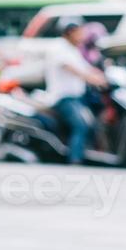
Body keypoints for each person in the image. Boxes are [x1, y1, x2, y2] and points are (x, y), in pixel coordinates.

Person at [45, 20, 110, 164]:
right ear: (70, 32)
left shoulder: (73, 49)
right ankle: (75, 159)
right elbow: (73, 69)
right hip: (64, 98)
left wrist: (103, 75)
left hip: (77, 98)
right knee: (82, 125)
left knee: (93, 122)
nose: (82, 36)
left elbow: (87, 68)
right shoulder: (58, 48)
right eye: (79, 32)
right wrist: (93, 79)